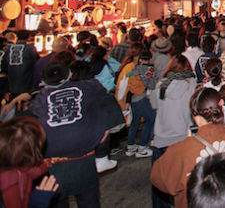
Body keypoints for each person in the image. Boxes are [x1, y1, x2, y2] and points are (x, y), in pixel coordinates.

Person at [30, 63, 124, 208]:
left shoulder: (39, 100)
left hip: (52, 163)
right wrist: (107, 130)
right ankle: (102, 159)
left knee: (57, 202)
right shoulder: (88, 87)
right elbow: (108, 102)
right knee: (89, 201)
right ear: (70, 75)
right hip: (84, 158)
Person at [150, 88, 225, 208]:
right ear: (221, 106)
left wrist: (187, 144)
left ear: (195, 116)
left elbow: (159, 178)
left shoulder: (180, 150)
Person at [150, 54, 196, 208]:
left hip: (162, 136)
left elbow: (154, 106)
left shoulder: (161, 85)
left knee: (161, 181)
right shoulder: (191, 83)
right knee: (183, 181)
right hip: (183, 136)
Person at [0, 117, 59, 208]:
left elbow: (27, 171)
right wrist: (38, 202)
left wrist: (48, 163)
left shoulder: (10, 164)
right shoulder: (8, 186)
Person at [115, 43, 157, 158]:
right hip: (141, 98)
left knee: (135, 122)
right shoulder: (141, 68)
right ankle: (142, 147)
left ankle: (131, 146)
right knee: (151, 119)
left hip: (133, 100)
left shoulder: (129, 67)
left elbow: (127, 82)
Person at [2, 30, 38, 97]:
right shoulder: (30, 48)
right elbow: (36, 62)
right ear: (28, 37)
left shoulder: (8, 48)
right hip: (26, 80)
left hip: (12, 80)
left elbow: (4, 63)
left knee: (13, 99)